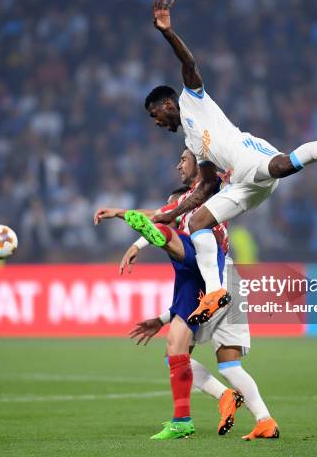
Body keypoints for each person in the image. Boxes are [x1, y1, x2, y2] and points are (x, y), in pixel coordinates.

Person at [145, 0, 317, 325]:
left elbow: (190, 64)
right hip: (239, 186)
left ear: (167, 105)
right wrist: (173, 214)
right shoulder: (191, 140)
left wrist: (167, 32)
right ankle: (214, 292)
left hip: (248, 153)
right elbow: (207, 187)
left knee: (281, 166)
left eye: (156, 115)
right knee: (199, 222)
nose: (156, 123)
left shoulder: (190, 98)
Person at [94, 149, 278, 440]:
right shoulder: (191, 201)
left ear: (199, 163)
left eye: (183, 158)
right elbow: (162, 214)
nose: (178, 164)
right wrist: (161, 317)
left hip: (213, 272)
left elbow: (162, 215)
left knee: (179, 350)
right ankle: (262, 418)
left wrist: (130, 225)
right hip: (219, 279)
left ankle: (190, 416)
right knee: (220, 363)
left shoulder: (209, 191)